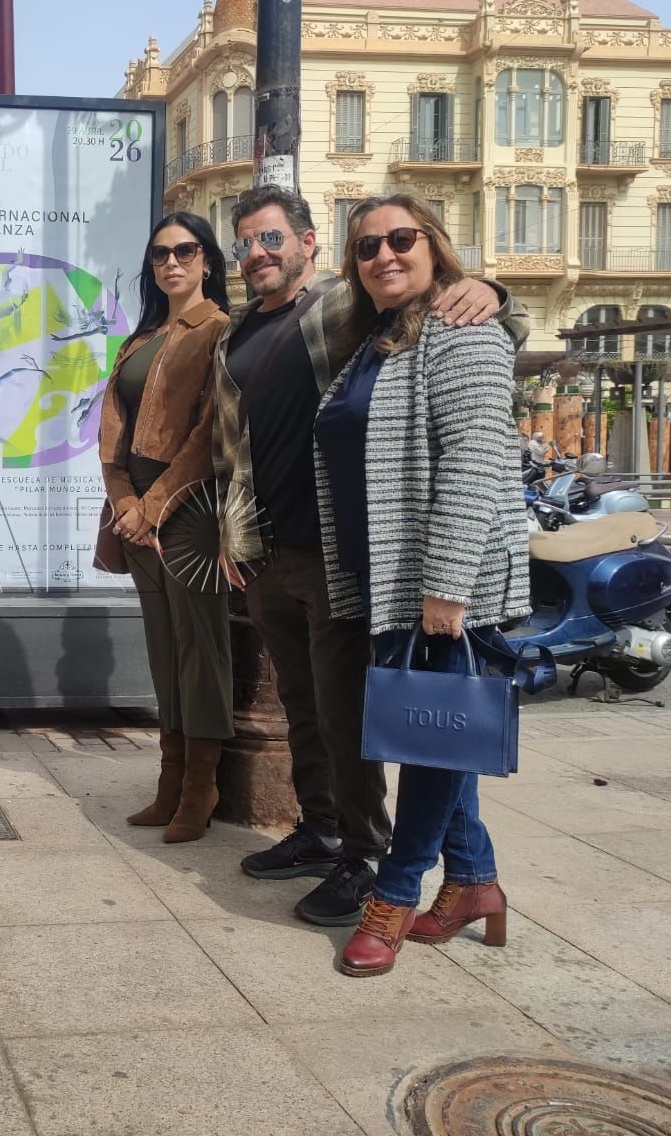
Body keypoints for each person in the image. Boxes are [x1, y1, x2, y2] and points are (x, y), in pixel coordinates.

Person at [211, 185, 528, 927]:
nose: (256, 252)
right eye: (245, 242)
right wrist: (232, 529)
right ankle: (443, 868)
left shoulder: (339, 309)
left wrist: (493, 291)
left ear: (308, 244)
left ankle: (381, 874)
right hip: (277, 545)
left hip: (367, 561)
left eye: (271, 238)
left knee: (378, 722)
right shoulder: (327, 332)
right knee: (347, 713)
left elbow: (480, 406)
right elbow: (234, 441)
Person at [313, 194, 529, 975]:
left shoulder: (461, 327)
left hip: (445, 578)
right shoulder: (372, 341)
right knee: (437, 730)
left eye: (401, 238)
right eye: (366, 246)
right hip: (389, 572)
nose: (384, 255)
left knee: (434, 742)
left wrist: (447, 585)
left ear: (434, 246)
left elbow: (474, 458)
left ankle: (396, 893)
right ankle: (473, 881)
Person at [99, 211, 234, 843]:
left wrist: (152, 507)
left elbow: (209, 433)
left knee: (199, 650)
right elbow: (113, 432)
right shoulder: (141, 337)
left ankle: (201, 787)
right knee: (162, 648)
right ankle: (169, 779)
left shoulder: (219, 330)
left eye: (185, 251)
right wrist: (124, 501)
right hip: (135, 515)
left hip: (191, 514)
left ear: (207, 259)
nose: (171, 262)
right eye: (160, 254)